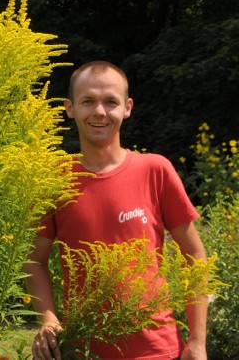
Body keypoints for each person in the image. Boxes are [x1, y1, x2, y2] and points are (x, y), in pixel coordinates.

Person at [24, 61, 208, 360]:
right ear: (70, 108)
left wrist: (198, 342)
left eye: (111, 102)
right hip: (81, 350)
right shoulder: (54, 179)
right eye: (88, 101)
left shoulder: (156, 170)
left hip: (159, 351)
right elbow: (34, 260)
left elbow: (195, 255)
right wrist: (48, 319)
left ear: (127, 107)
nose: (99, 111)